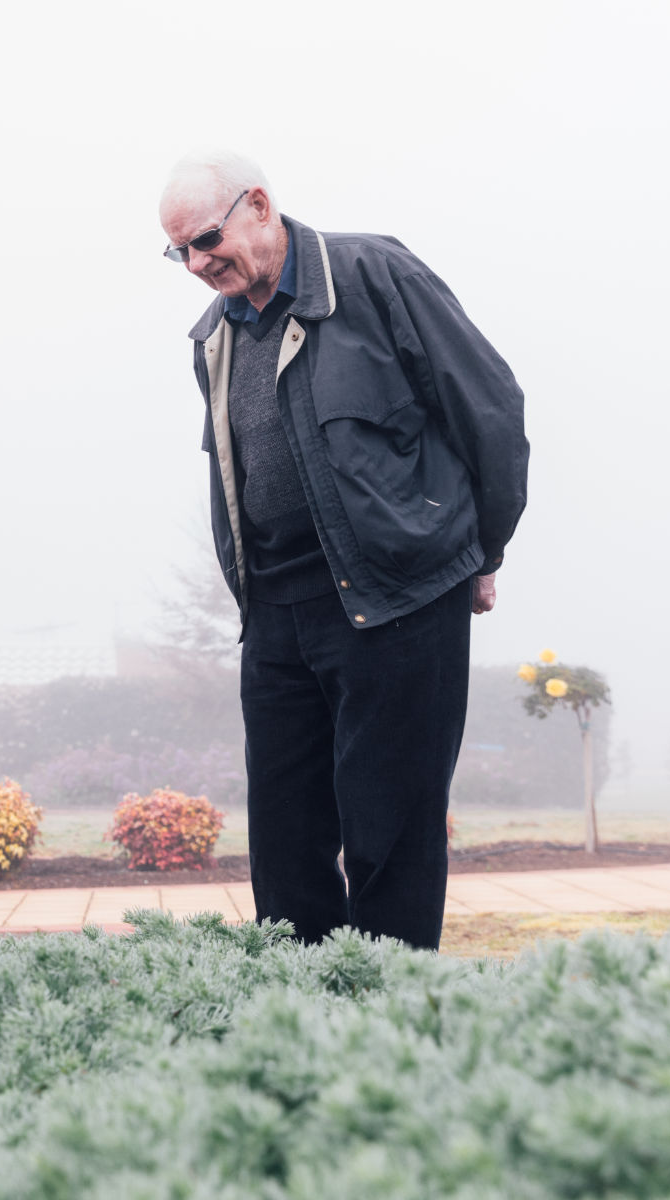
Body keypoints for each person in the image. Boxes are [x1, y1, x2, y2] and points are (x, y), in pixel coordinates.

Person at [159, 151, 528, 950]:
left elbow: (490, 409)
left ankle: (384, 1028)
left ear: (259, 205)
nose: (196, 262)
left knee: (389, 832)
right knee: (285, 845)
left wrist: (483, 550)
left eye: (207, 238)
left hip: (398, 598)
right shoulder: (214, 334)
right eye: (179, 250)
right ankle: (304, 1027)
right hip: (277, 613)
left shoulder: (374, 274)